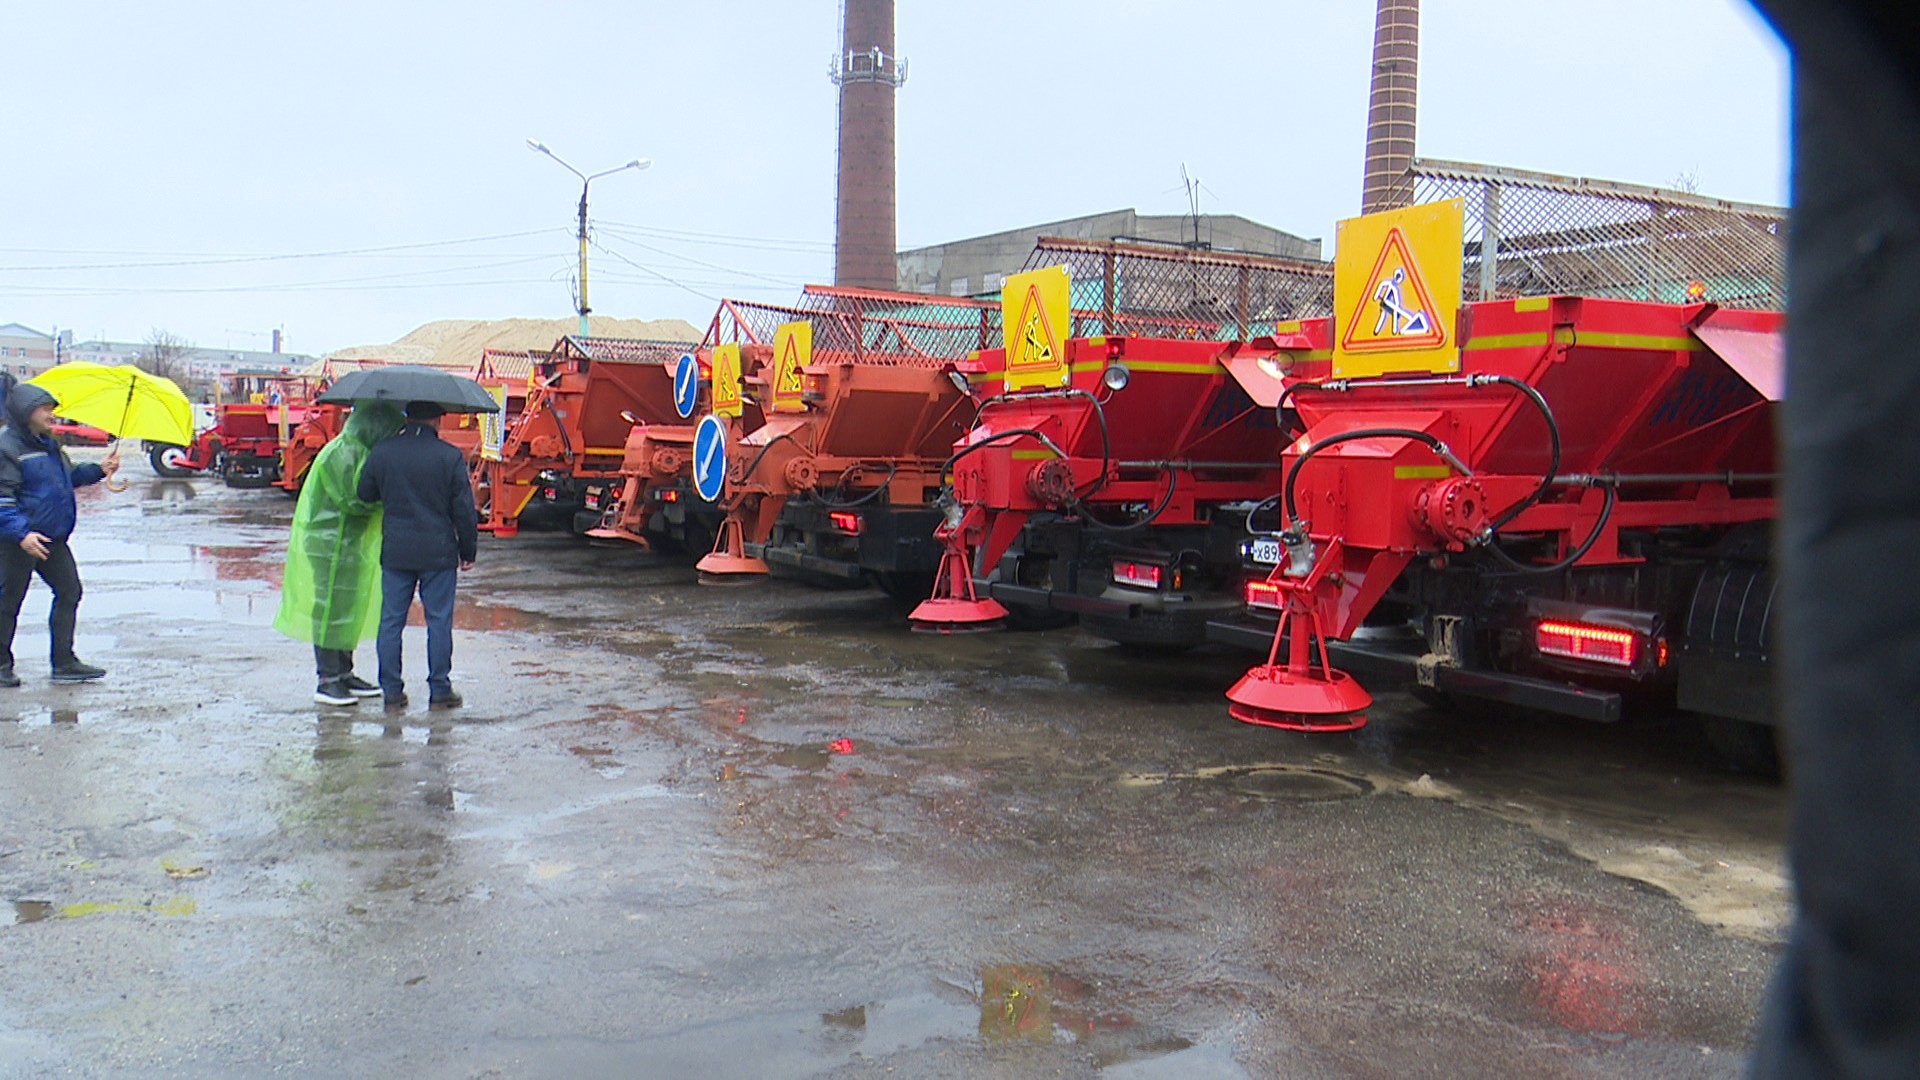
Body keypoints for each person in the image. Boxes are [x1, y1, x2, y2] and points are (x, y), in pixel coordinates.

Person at [272, 400, 404, 707]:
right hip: (328, 543)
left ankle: (344, 672)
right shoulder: (342, 452)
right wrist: (388, 498)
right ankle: (328, 679)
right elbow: (353, 500)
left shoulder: (360, 451)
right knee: (329, 606)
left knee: (347, 606)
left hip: (349, 543)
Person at [355, 400, 477, 710]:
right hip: (438, 552)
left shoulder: (384, 452)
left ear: (408, 417)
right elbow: (463, 509)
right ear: (438, 419)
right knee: (438, 622)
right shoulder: (449, 456)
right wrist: (468, 550)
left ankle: (392, 691)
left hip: (396, 550)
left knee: (392, 621)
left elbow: (364, 493)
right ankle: (440, 690)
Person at [0, 379, 119, 686]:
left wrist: (100, 469)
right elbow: (3, 500)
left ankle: (64, 662)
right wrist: (22, 535)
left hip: (52, 537)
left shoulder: (49, 444)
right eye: (45, 408)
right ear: (26, 411)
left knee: (70, 591)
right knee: (9, 601)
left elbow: (69, 477)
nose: (51, 414)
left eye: (52, 408)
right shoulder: (7, 447)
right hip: (19, 540)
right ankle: (0, 665)